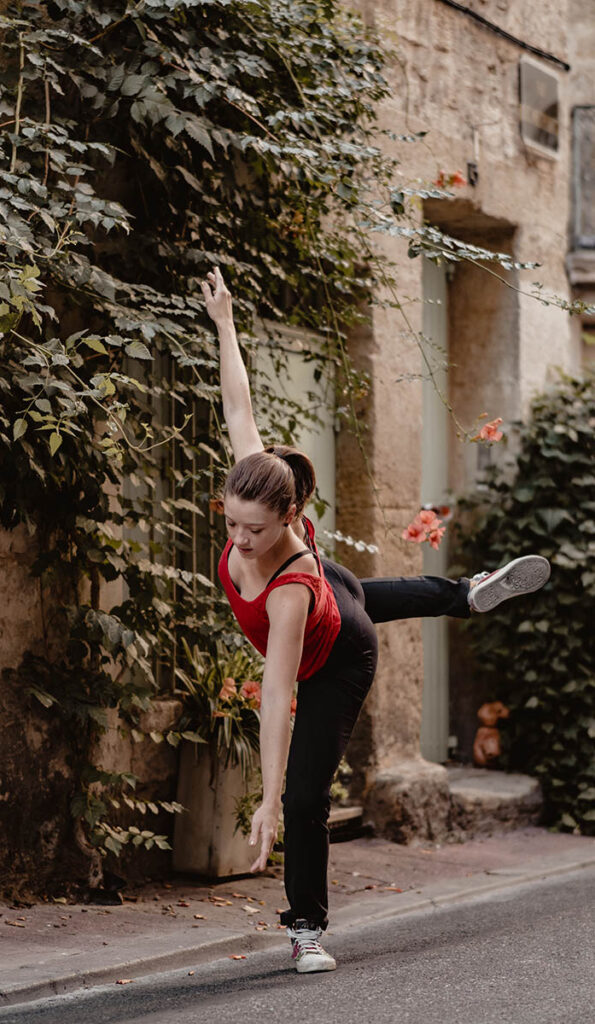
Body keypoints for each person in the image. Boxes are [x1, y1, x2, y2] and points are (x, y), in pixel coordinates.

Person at [200, 266, 550, 974]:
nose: (239, 539)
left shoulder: (289, 590)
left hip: (336, 654)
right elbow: (238, 406)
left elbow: (278, 692)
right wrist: (226, 323)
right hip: (334, 588)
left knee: (304, 795)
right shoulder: (258, 484)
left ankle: (305, 928)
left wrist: (267, 798)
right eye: (231, 524)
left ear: (289, 517)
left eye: (254, 530)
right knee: (358, 589)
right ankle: (465, 592)